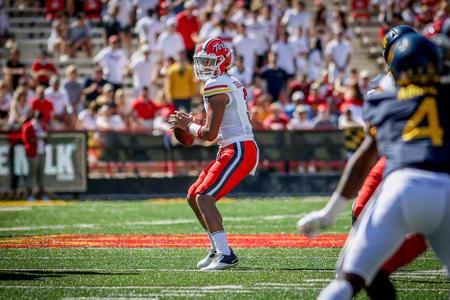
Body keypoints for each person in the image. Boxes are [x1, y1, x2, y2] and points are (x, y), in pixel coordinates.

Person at [301, 32, 450, 299]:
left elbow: (361, 161)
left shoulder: (384, 99)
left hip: (401, 187)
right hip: (447, 187)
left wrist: (329, 214)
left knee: (347, 281)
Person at [169, 38, 258, 271]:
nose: (204, 66)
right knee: (193, 195)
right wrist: (190, 123)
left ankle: (226, 255)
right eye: (202, 61)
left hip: (238, 148)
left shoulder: (216, 84)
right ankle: (217, 248)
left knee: (205, 197)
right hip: (230, 148)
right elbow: (211, 128)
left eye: (209, 61)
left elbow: (208, 134)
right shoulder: (226, 81)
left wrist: (188, 126)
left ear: (222, 61)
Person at [22, 112, 48, 201]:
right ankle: (29, 195)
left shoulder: (42, 126)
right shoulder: (28, 126)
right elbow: (26, 140)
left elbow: (46, 138)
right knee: (31, 174)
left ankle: (41, 195)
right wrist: (38, 137)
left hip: (41, 152)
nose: (40, 121)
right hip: (32, 153)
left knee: (41, 175)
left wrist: (43, 137)